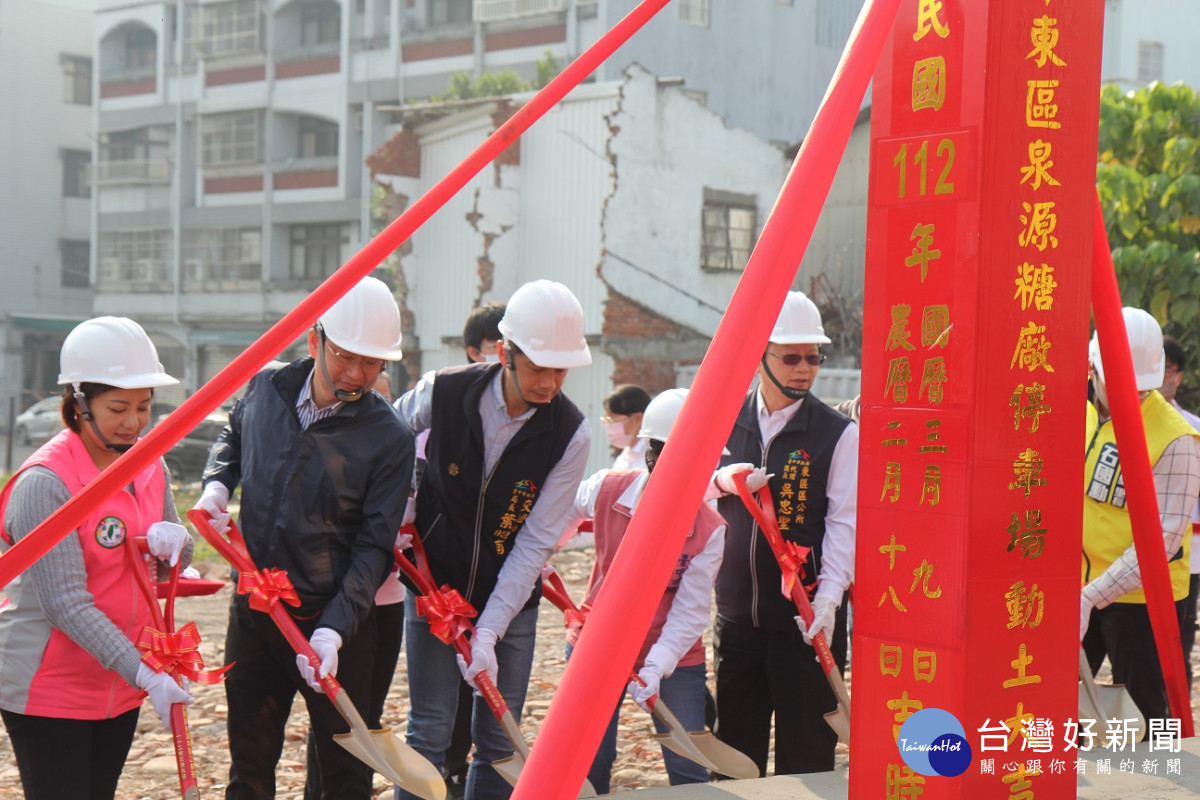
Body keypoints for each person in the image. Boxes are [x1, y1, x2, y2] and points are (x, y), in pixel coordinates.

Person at [195, 276, 414, 800]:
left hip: (331, 624)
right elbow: (234, 433)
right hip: (255, 610)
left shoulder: (389, 437)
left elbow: (374, 544)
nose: (358, 375)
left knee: (344, 772)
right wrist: (217, 484)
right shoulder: (267, 387)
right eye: (346, 357)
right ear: (315, 340)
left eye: (373, 363)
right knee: (249, 765)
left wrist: (334, 630)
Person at [394, 279, 591, 800]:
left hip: (513, 598)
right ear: (505, 352)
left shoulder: (570, 434)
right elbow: (385, 438)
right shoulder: (445, 390)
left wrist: (490, 631)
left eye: (560, 370)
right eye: (538, 368)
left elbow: (535, 542)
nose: (550, 383)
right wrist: (402, 499)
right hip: (433, 586)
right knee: (429, 732)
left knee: (499, 743)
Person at [0, 316, 194, 799]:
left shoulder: (149, 461)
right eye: (118, 408)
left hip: (120, 682)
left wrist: (177, 543)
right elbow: (65, 602)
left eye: (144, 407)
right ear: (79, 403)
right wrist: (145, 672)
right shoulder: (46, 483)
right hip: (50, 686)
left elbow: (173, 558)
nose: (133, 422)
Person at [709, 291, 858, 776]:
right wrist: (720, 481)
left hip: (806, 626)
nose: (804, 369)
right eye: (791, 357)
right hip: (737, 622)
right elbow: (682, 489)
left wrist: (830, 601)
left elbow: (842, 524)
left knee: (808, 761)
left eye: (813, 357)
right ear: (759, 354)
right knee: (735, 758)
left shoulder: (838, 433)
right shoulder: (719, 419)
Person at [561, 388, 727, 792]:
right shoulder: (607, 489)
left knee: (688, 766)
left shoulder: (709, 529)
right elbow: (558, 515)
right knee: (589, 761)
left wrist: (657, 665)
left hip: (673, 656)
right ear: (652, 453)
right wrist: (540, 555)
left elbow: (689, 612)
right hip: (596, 643)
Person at [1082, 309, 1200, 726]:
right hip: (1080, 587)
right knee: (1054, 698)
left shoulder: (1176, 439)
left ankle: (1160, 785)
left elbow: (1163, 540)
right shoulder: (1083, 411)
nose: (1132, 396)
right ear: (1093, 368)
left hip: (1142, 601)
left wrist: (1091, 596)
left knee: (1152, 716)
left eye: (1141, 388)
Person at [602, 384, 652, 472]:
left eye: (613, 421)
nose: (609, 427)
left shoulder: (651, 456)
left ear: (638, 418)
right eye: (606, 421)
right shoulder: (625, 456)